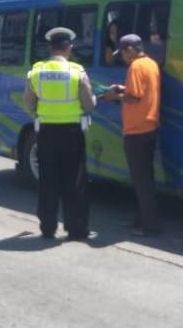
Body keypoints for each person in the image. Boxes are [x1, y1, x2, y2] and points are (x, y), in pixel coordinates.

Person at [23, 27, 97, 240]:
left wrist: (43, 112)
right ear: (69, 48)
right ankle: (76, 228)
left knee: (48, 180)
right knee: (74, 181)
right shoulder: (77, 72)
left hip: (46, 133)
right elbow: (89, 105)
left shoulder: (36, 71)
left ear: (50, 48)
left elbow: (29, 104)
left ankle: (48, 228)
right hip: (72, 133)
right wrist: (94, 99)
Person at [103, 34, 161, 236]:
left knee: (141, 181)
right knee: (144, 179)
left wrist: (115, 95)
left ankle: (149, 226)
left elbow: (134, 98)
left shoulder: (135, 67)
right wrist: (122, 89)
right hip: (150, 126)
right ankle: (141, 219)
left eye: (123, 54)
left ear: (129, 50)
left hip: (137, 129)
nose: (122, 58)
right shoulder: (151, 64)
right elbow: (141, 92)